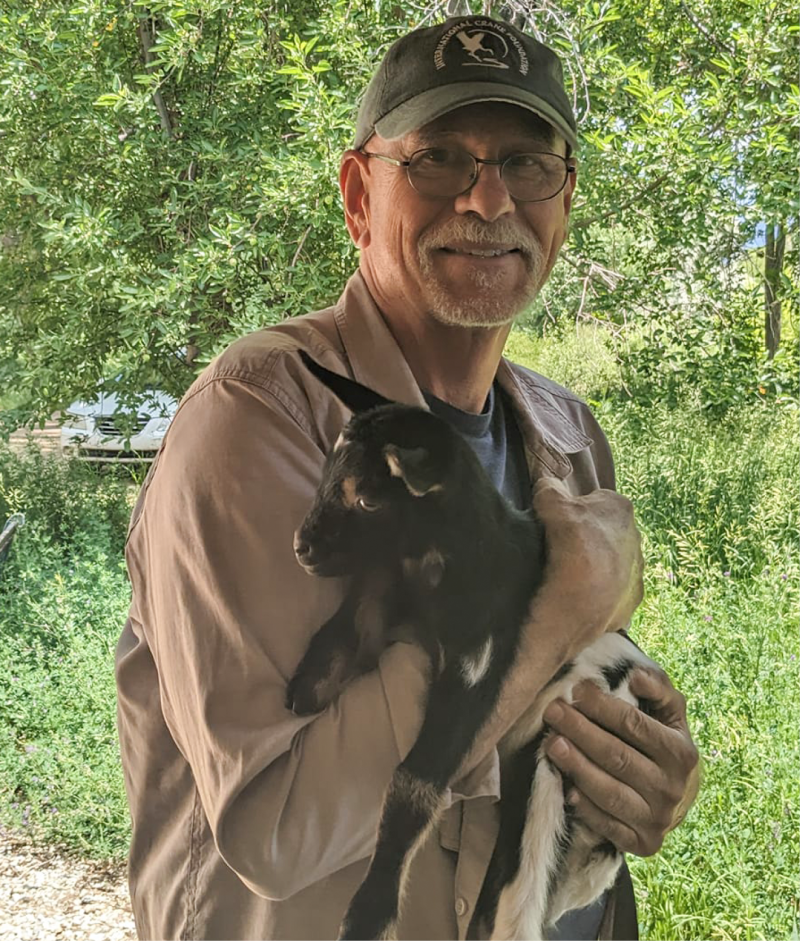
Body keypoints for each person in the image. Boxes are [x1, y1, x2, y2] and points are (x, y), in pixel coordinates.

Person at [115, 15, 699, 941]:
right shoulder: (259, 415)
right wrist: (551, 612)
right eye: (436, 160)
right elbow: (276, 829)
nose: (488, 198)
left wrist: (643, 776)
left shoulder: (567, 434)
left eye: (527, 162)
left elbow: (552, 714)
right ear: (357, 193)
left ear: (565, 202)